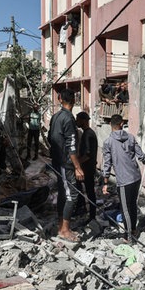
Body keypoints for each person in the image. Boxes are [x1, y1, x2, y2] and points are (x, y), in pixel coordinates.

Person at [102, 114, 145, 243]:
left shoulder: (108, 142)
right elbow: (141, 155)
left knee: (125, 209)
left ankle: (128, 237)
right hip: (136, 177)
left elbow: (107, 163)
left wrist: (105, 183)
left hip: (124, 181)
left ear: (111, 125)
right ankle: (134, 230)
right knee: (132, 206)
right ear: (121, 124)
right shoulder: (130, 138)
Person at [48, 88, 84, 242]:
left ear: (59, 99)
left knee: (64, 193)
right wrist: (78, 167)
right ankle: (65, 230)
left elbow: (50, 138)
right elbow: (72, 146)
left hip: (57, 161)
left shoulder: (55, 116)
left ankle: (61, 225)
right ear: (74, 101)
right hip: (66, 163)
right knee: (72, 195)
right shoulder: (69, 119)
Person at [74, 111, 98, 222]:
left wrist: (77, 164)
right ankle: (82, 208)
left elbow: (87, 154)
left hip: (87, 168)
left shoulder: (88, 134)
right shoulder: (87, 133)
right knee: (80, 188)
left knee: (89, 191)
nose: (76, 121)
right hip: (87, 167)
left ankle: (92, 215)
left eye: (78, 119)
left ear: (83, 120)